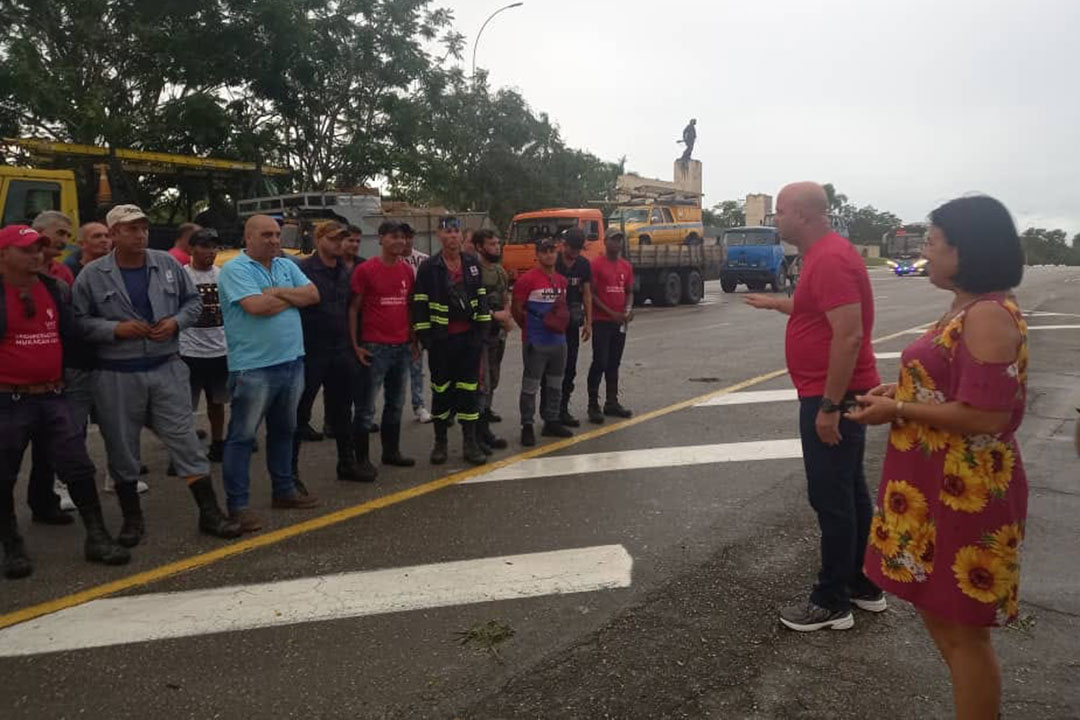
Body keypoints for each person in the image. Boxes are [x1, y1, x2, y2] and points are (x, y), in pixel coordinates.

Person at [846, 196, 1028, 719]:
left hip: (963, 493)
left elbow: (988, 415)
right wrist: (901, 391)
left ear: (964, 250)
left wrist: (899, 407)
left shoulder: (989, 314)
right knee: (944, 626)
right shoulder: (966, 307)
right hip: (935, 486)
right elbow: (951, 386)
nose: (924, 251)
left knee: (963, 638)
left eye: (931, 242)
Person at [744, 181, 882, 632]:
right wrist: (776, 304)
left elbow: (849, 335)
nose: (776, 219)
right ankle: (862, 583)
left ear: (802, 214)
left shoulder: (832, 259)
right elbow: (812, 309)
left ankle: (831, 600)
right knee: (850, 492)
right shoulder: (822, 257)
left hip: (833, 395)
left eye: (779, 211)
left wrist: (829, 406)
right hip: (832, 392)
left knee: (831, 498)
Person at [73, 204, 240, 545]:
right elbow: (78, 321)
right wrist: (115, 329)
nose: (140, 234)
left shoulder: (166, 264)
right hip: (117, 374)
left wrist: (176, 322)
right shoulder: (92, 275)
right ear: (114, 233)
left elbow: (193, 303)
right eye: (131, 229)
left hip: (166, 367)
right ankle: (132, 520)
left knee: (186, 440)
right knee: (121, 447)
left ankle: (210, 514)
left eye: (143, 227)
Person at [0, 225, 130, 579]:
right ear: (3, 255)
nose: (37, 255)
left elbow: (74, 333)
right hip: (8, 400)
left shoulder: (55, 289)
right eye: (26, 250)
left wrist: (116, 331)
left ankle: (97, 537)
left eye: (39, 249)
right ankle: (11, 545)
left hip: (54, 394)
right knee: (4, 474)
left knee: (77, 466)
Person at [218, 215, 321, 532]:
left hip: (291, 362)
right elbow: (255, 308)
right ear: (248, 238)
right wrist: (289, 297)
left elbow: (313, 295)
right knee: (241, 438)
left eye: (277, 235)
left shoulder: (285, 265)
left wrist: (275, 293)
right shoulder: (235, 269)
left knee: (284, 431)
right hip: (254, 368)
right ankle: (238, 506)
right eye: (267, 235)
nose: (275, 241)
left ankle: (284, 490)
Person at [411, 216, 491, 465]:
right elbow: (420, 305)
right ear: (439, 235)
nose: (452, 236)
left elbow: (481, 298)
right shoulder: (428, 267)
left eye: (456, 231)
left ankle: (470, 443)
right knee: (441, 392)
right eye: (447, 232)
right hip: (441, 343)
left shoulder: (472, 264)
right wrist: (427, 339)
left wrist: (481, 334)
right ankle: (440, 442)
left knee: (469, 392)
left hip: (469, 341)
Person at [349, 221, 417, 479]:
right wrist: (356, 345)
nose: (400, 242)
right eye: (394, 237)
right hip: (374, 347)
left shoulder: (407, 271)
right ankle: (361, 460)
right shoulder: (365, 270)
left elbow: (409, 306)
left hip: (401, 347)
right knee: (366, 408)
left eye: (403, 237)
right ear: (381, 239)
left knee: (396, 403)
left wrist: (413, 339)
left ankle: (391, 452)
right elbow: (354, 309)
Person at [294, 221, 361, 484]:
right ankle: (290, 475)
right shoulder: (303, 270)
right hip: (312, 350)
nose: (339, 243)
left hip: (340, 350)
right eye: (333, 239)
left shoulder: (345, 270)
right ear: (318, 239)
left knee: (343, 411)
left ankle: (347, 464)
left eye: (342, 239)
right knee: (300, 414)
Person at [512, 235, 573, 446]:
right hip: (536, 340)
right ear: (537, 255)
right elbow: (517, 309)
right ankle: (526, 425)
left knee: (556, 384)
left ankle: (552, 420)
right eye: (545, 251)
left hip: (558, 340)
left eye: (552, 251)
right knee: (531, 386)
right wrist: (528, 330)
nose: (549, 255)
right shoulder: (527, 280)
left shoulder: (562, 280)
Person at [179, 228, 229, 462]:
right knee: (184, 407)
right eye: (205, 246)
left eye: (214, 246)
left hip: (220, 351)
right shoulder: (182, 276)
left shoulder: (224, 275)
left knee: (217, 403)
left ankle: (218, 443)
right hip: (189, 352)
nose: (210, 251)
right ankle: (183, 452)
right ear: (191, 249)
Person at [586, 229, 635, 424]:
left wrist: (628, 309)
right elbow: (592, 294)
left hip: (619, 323)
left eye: (620, 240)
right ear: (605, 242)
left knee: (614, 362)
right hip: (602, 321)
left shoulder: (626, 266)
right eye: (614, 240)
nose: (617, 244)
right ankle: (592, 404)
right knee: (600, 361)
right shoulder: (596, 265)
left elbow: (629, 291)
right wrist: (610, 313)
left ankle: (611, 401)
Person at [547, 227, 593, 427]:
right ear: (563, 245)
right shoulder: (553, 261)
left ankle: (563, 409)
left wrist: (589, 322)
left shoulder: (583, 265)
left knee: (569, 368)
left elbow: (587, 294)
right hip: (552, 323)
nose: (574, 254)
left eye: (578, 250)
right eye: (571, 249)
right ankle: (550, 412)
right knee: (550, 369)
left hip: (572, 323)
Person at [470, 229, 510, 452]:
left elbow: (505, 298)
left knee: (492, 381)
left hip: (497, 335)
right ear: (479, 247)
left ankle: (484, 430)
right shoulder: (473, 272)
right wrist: (496, 316)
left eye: (497, 243)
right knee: (480, 386)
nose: (497, 247)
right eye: (492, 244)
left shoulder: (499, 271)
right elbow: (470, 305)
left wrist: (506, 317)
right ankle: (477, 434)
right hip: (480, 335)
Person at [326, 224, 365, 441]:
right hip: (334, 328)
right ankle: (330, 421)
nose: (354, 244)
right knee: (333, 380)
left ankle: (356, 418)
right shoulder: (333, 264)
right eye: (350, 240)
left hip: (358, 328)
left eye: (358, 241)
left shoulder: (363, 265)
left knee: (356, 378)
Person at [401, 223, 432, 424]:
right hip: (394, 321)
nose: (405, 241)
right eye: (402, 237)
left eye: (409, 237)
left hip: (418, 321)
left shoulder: (424, 261)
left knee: (417, 367)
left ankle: (419, 405)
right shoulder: (387, 261)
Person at [33, 210, 76, 286]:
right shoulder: (14, 266)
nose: (65, 241)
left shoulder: (64, 272)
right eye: (60, 233)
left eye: (68, 236)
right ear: (38, 232)